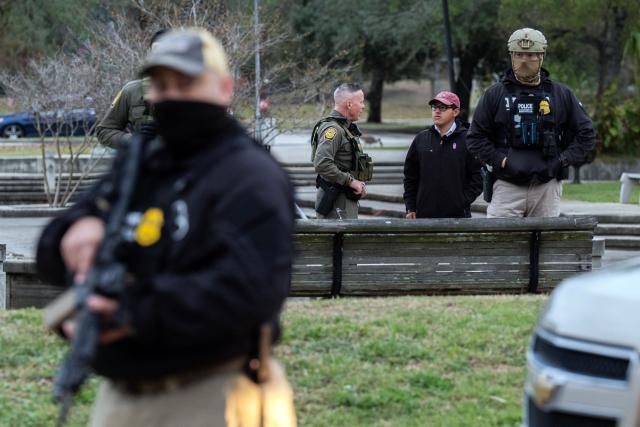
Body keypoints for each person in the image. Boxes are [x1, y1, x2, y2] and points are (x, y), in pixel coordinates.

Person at [36, 28, 296, 427]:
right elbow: (55, 245)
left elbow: (250, 293)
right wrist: (76, 230)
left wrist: (133, 311)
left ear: (224, 88)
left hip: (214, 391)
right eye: (161, 84)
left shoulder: (250, 175)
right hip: (122, 393)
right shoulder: (140, 162)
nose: (172, 95)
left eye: (186, 82)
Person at [467, 28, 596, 218]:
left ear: (541, 56)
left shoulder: (561, 94)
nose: (524, 60)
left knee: (546, 246)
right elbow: (475, 138)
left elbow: (586, 134)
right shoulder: (495, 94)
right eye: (519, 54)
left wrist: (562, 160)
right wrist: (500, 160)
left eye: (530, 54)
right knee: (500, 244)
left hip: (547, 187)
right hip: (507, 186)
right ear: (511, 56)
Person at [404, 91, 482, 219]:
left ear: (455, 112)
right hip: (423, 216)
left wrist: (461, 202)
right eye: (434, 107)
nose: (437, 111)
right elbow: (410, 177)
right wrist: (410, 207)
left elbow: (478, 178)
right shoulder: (421, 139)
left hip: (457, 217)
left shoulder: (468, 140)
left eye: (443, 108)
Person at [95, 29, 168, 148]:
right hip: (145, 164)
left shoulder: (194, 92)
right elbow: (104, 131)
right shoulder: (133, 90)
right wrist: (134, 140)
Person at [311, 83, 373, 219]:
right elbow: (322, 163)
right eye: (361, 102)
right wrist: (351, 181)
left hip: (343, 200)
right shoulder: (333, 130)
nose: (363, 106)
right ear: (349, 104)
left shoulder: (345, 128)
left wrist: (357, 183)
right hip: (335, 203)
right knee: (340, 240)